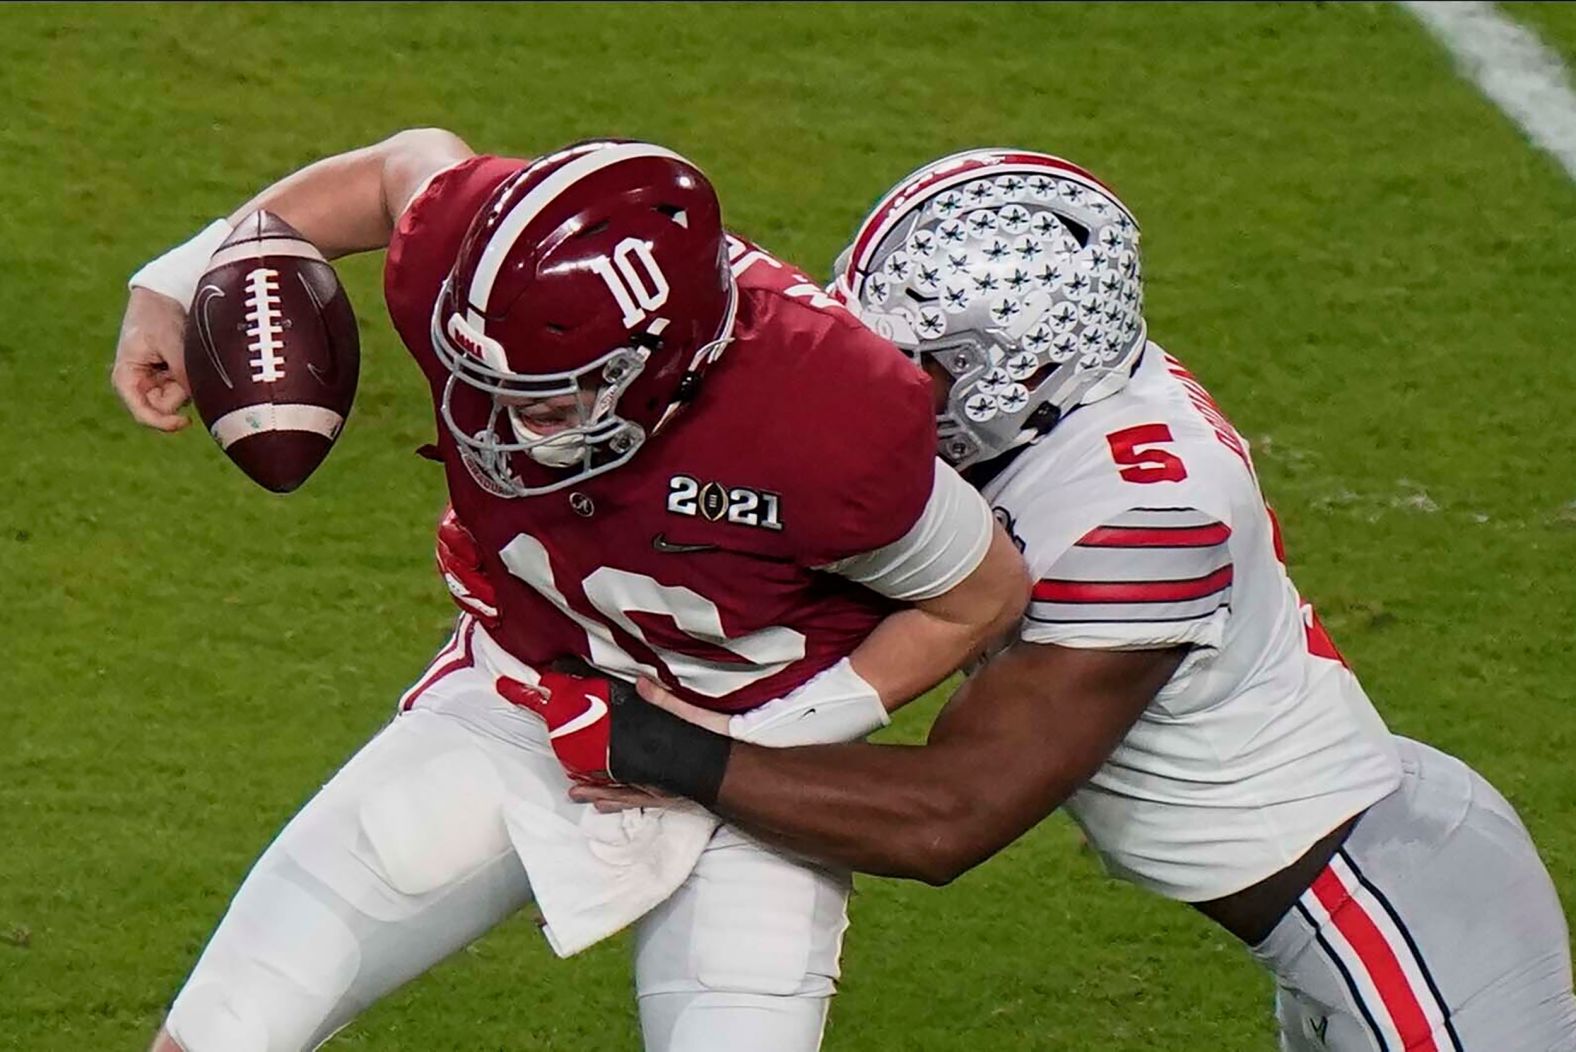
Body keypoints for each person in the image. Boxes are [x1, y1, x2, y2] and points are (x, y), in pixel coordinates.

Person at [548, 149, 1576, 1052]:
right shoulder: (1067, 401)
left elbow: (948, 817)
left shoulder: (1144, 519)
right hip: (1354, 883)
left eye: (923, 360)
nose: (881, 379)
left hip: (1390, 904)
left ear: (1017, 367)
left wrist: (663, 749)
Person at [110, 129, 1029, 1052]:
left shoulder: (831, 416)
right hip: (525, 692)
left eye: (547, 401)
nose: (496, 422)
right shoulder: (469, 249)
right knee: (215, 1035)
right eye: (484, 381)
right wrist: (182, 278)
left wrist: (729, 751)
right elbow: (400, 171)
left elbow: (978, 597)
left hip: (753, 750)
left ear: (663, 369)